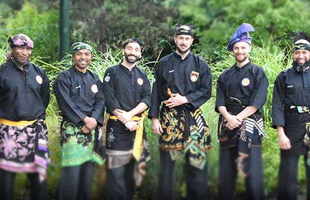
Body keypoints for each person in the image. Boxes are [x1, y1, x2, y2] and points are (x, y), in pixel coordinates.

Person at [0, 34, 50, 200]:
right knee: (4, 182)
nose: (24, 52)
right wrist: (3, 124)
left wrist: (35, 117)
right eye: (20, 48)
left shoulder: (39, 73)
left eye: (28, 49)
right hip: (8, 135)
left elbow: (44, 99)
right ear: (12, 49)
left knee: (38, 181)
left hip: (35, 132)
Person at [149, 25, 212, 200]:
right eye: (180, 38)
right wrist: (154, 119)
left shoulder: (201, 64)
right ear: (175, 39)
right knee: (167, 165)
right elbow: (155, 92)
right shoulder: (164, 63)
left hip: (193, 117)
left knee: (196, 162)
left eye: (187, 38)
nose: (183, 42)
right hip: (169, 119)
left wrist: (184, 99)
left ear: (192, 40)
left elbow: (206, 90)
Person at [272, 32, 310, 200]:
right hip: (291, 128)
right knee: (288, 172)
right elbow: (277, 105)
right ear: (293, 54)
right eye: (297, 52)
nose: (301, 56)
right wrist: (281, 134)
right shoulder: (284, 76)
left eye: (304, 52)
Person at [216, 23, 268, 200]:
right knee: (226, 168)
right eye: (237, 48)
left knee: (251, 167)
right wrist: (228, 118)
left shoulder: (257, 72)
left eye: (243, 47)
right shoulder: (225, 75)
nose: (240, 51)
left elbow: (257, 102)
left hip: (249, 125)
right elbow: (220, 102)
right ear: (233, 50)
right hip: (227, 125)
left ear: (249, 49)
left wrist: (237, 118)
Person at [53, 42, 105, 200]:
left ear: (91, 57)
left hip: (92, 130)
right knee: (72, 171)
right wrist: (84, 120)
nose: (83, 57)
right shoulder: (64, 77)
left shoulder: (94, 78)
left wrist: (93, 120)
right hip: (72, 130)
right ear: (73, 56)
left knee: (88, 171)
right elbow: (65, 102)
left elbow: (101, 101)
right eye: (79, 54)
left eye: (87, 54)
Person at [103, 38, 151, 200]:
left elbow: (147, 99)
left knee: (133, 172)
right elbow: (109, 100)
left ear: (140, 53)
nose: (132, 52)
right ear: (123, 51)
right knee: (115, 172)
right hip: (116, 128)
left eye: (136, 49)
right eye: (129, 48)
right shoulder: (112, 72)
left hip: (136, 127)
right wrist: (125, 119)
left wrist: (130, 116)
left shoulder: (142, 75)